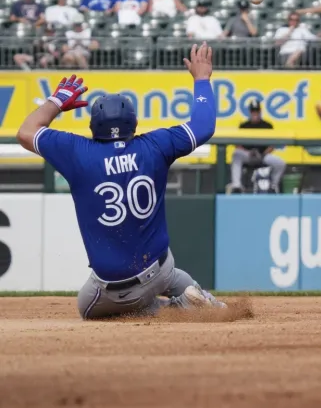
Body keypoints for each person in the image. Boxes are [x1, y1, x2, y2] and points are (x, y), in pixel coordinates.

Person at [15, 43, 226, 319]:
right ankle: (191, 295)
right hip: (160, 269)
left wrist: (56, 102)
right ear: (134, 124)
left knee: (86, 308)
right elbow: (204, 126)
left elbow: (26, 132)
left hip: (115, 289)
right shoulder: (156, 145)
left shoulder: (77, 152)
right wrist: (201, 80)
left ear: (93, 126)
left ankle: (163, 310)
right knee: (170, 273)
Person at [228, 100, 286, 194]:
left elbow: (272, 145)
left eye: (257, 111)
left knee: (280, 163)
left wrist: (263, 154)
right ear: (250, 112)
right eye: (253, 111)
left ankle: (273, 186)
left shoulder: (267, 125)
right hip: (248, 155)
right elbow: (237, 145)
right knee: (236, 155)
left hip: (263, 155)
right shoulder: (244, 126)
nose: (255, 113)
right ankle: (237, 186)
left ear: (260, 112)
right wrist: (248, 153)